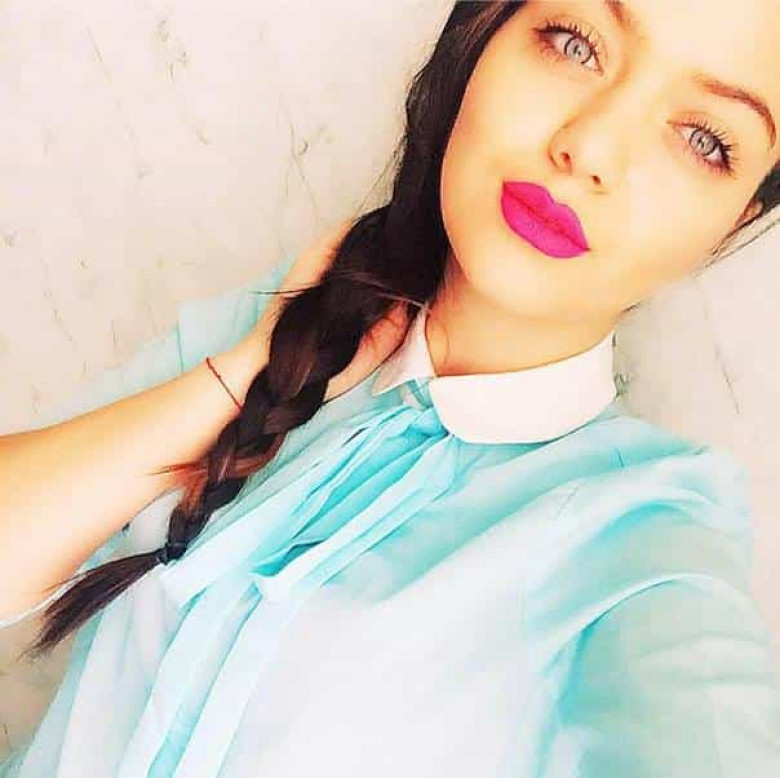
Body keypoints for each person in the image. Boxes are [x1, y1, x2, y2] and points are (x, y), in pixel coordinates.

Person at [2, 0, 780, 774]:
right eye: (576, 44)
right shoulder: (276, 330)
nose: (591, 147)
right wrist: (239, 377)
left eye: (704, 138)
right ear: (485, 32)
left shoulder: (643, 544)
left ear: (736, 216)